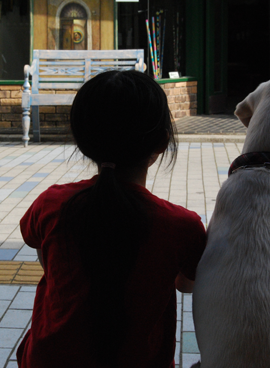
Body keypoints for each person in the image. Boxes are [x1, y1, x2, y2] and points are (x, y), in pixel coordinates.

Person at [17, 70, 207, 367]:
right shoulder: (181, 226)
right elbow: (187, 284)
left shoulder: (51, 205)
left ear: (82, 140)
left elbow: (47, 260)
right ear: (161, 142)